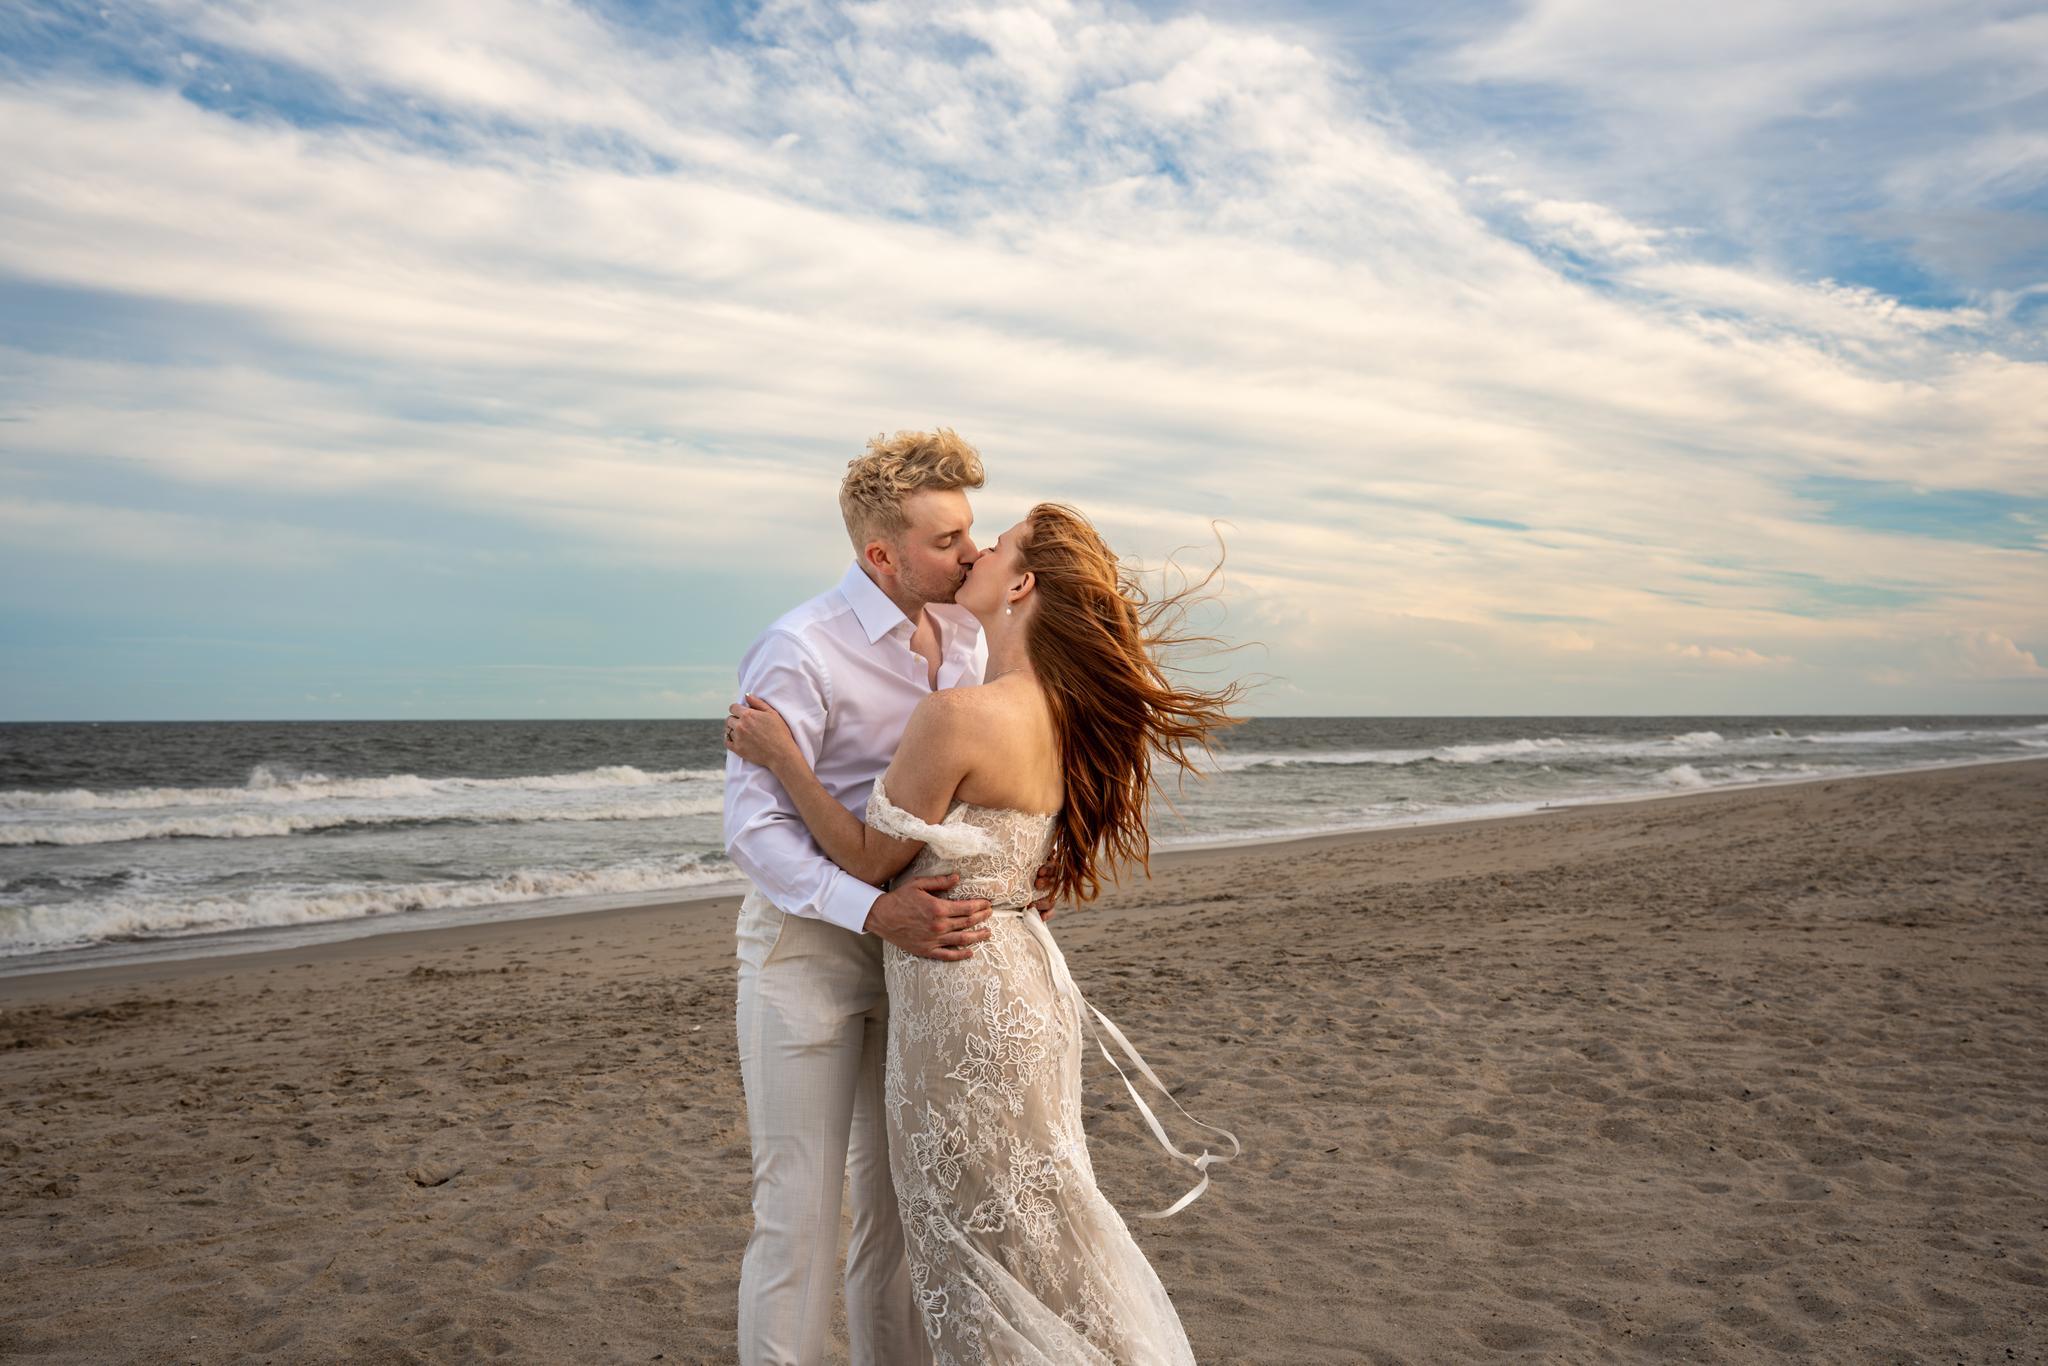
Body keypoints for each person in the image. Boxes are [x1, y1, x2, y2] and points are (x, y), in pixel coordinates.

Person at [726, 499, 1244, 1364]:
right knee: (1031, 1208)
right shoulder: (1053, 705)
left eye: (991, 544)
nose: (975, 554)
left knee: (958, 1224)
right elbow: (1026, 840)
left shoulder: (963, 708)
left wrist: (784, 758)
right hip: (1017, 976)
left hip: (959, 982)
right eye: (957, 539)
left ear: (1023, 582)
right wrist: (1013, 883)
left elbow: (863, 855)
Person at [722, 428, 1057, 1366]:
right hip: (808, 956)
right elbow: (752, 834)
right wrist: (874, 911)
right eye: (948, 539)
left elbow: (980, 778)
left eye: (974, 533)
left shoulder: (964, 634)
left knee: (897, 1211)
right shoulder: (798, 650)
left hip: (925, 962)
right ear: (881, 553)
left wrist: (1026, 871)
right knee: (797, 1217)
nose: (973, 552)